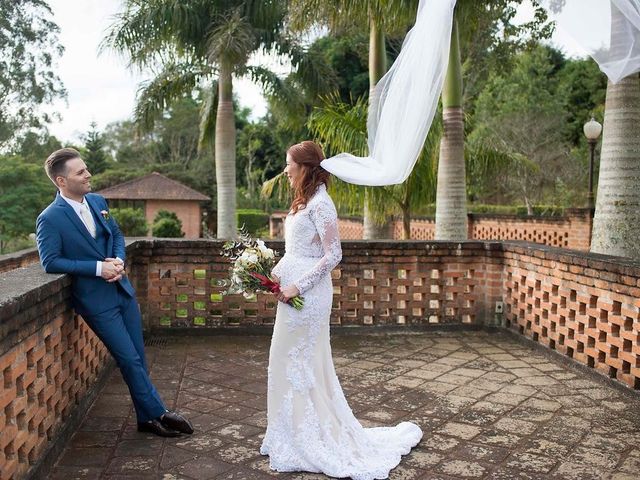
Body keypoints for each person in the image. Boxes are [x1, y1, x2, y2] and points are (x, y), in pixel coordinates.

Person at [260, 141, 422, 479]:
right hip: (289, 293)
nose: (286, 170)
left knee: (300, 364)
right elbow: (298, 249)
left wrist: (297, 286)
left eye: (289, 164)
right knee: (283, 361)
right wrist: (273, 272)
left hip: (308, 297)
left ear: (304, 166)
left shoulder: (322, 205)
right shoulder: (302, 201)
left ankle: (311, 438)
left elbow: (333, 256)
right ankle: (289, 432)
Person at [36, 147, 193, 438]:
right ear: (61, 181)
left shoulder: (97, 201)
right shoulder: (50, 218)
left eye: (86, 169)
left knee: (139, 357)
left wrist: (118, 259)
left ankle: (146, 419)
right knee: (128, 359)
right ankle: (160, 412)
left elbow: (117, 236)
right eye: (80, 172)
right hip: (95, 301)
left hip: (122, 289)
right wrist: (98, 268)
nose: (88, 174)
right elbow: (51, 262)